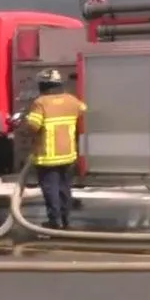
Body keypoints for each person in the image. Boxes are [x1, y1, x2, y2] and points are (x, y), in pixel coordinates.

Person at [23, 68, 87, 229]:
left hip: (47, 157)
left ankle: (54, 221)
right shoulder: (72, 100)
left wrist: (25, 120)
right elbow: (84, 111)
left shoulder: (40, 103)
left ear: (43, 85)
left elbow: (33, 126)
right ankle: (65, 220)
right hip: (68, 155)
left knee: (51, 190)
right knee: (64, 189)